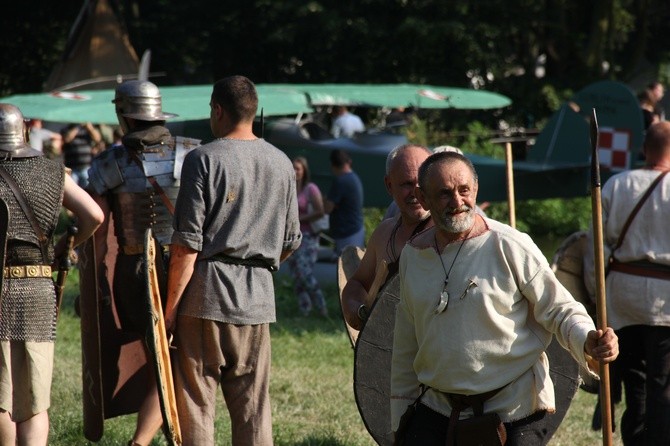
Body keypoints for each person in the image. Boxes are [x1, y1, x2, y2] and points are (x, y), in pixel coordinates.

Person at [391, 151, 619, 445]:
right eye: (445, 194)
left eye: (464, 191)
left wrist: (587, 337)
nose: (458, 202)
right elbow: (405, 344)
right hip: (436, 408)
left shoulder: (510, 245)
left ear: (476, 189)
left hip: (513, 410)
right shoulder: (413, 255)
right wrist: (400, 416)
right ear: (423, 198)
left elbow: (560, 309)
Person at [165, 75, 301, 446]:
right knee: (254, 411)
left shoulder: (202, 159)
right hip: (258, 300)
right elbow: (290, 242)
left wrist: (170, 307)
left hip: (204, 296)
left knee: (196, 405)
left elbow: (186, 246)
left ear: (218, 110)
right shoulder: (283, 163)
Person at [86, 79, 192, 446]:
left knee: (158, 359)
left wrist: (97, 284)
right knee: (172, 362)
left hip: (132, 273)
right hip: (183, 269)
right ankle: (142, 441)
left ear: (124, 116)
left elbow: (96, 234)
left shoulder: (108, 164)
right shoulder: (192, 155)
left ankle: (163, 434)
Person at [0, 103, 103, 445]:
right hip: (37, 288)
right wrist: (61, 248)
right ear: (25, 132)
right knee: (34, 402)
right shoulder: (52, 172)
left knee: (1, 398)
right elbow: (94, 216)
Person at [584, 121, 670, 445]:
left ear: (645, 150)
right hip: (665, 302)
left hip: (622, 296)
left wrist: (596, 296)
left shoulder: (616, 185)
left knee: (634, 383)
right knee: (662, 386)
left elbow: (595, 248)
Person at [342, 143, 432, 330]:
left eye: (421, 182)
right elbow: (357, 283)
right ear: (389, 185)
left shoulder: (452, 233)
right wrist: (358, 310)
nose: (416, 192)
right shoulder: (385, 232)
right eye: (407, 184)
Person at [288, 156, 329, 317]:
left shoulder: (310, 188)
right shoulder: (289, 188)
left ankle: (321, 305)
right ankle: (305, 308)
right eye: (293, 168)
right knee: (296, 274)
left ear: (304, 171)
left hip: (308, 236)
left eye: (298, 168)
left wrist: (299, 219)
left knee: (305, 272)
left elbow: (320, 211)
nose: (295, 171)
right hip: (292, 236)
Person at [324, 149, 365, 256]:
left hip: (347, 233)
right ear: (349, 162)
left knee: (346, 269)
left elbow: (327, 208)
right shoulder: (353, 177)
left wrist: (324, 199)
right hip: (355, 230)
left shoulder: (341, 181)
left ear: (333, 165)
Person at [61, 121, 102, 188]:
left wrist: (90, 128)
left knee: (87, 190)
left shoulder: (87, 130)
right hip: (72, 168)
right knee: (72, 190)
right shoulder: (67, 129)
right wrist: (77, 126)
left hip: (86, 168)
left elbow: (98, 138)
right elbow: (67, 139)